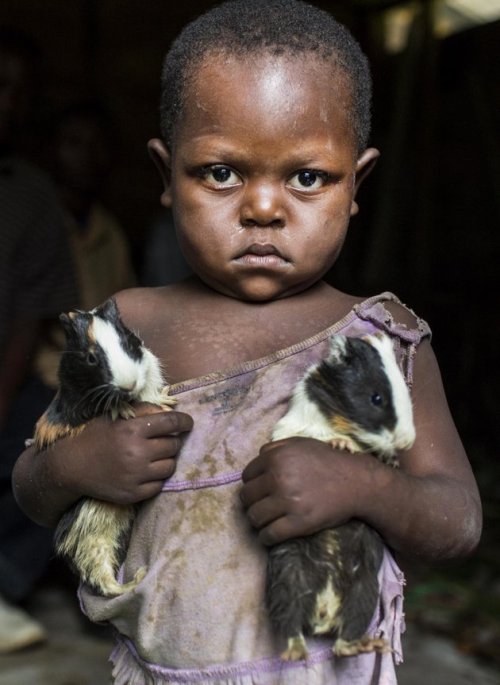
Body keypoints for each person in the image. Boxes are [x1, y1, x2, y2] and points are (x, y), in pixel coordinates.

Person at [12, 1, 481, 683]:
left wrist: (361, 484)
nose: (264, 208)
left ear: (358, 184)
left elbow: (458, 517)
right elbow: (29, 479)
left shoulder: (379, 339)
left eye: (308, 177)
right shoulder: (126, 329)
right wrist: (79, 462)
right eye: (222, 173)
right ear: (165, 176)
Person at [0, 26, 78, 652]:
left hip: (6, 375)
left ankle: (1, 583)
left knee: (67, 440)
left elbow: (28, 321)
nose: (6, 102)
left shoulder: (29, 197)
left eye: (15, 92)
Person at [33, 100, 137, 389]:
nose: (87, 155)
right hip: (42, 383)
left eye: (97, 144)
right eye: (74, 142)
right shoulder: (35, 225)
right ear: (49, 150)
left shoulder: (108, 230)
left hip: (102, 381)